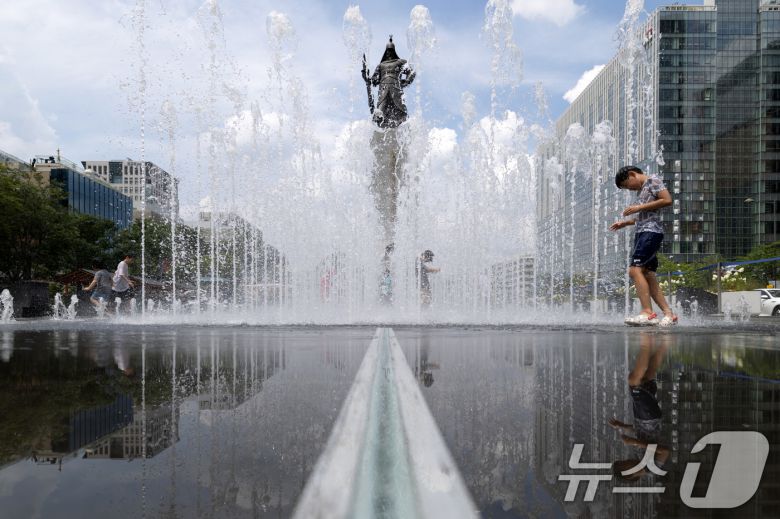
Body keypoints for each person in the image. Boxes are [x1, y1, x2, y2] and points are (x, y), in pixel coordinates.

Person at [610, 165, 678, 326]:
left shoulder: (653, 181)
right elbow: (645, 216)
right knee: (647, 274)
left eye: (627, 185)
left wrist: (638, 207)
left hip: (651, 232)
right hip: (644, 232)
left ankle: (647, 312)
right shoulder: (642, 190)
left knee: (634, 270)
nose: (629, 189)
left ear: (632, 174)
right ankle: (669, 314)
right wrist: (625, 223)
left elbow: (667, 200)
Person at [608, 333, 671, 481]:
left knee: (647, 377)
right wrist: (634, 442)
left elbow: (642, 434)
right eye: (624, 464)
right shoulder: (651, 469)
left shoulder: (639, 460)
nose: (627, 460)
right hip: (649, 417)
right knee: (633, 381)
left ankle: (666, 339)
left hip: (642, 418)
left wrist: (622, 426)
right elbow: (665, 451)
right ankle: (646, 339)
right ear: (629, 473)